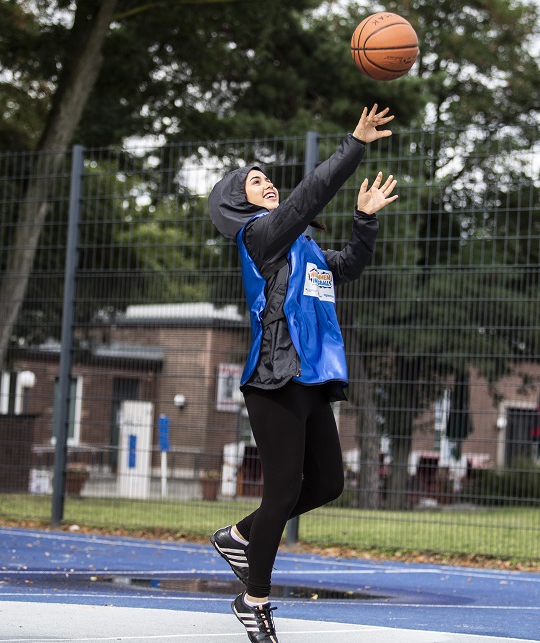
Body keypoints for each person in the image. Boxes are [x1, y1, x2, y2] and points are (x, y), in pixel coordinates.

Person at [206, 105, 398, 643]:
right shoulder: (259, 239)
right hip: (273, 378)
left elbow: (350, 267)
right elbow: (307, 198)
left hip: (311, 379)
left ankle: (239, 536)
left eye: (269, 179)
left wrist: (364, 220)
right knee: (283, 491)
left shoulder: (307, 250)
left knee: (329, 483)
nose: (267, 185)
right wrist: (353, 144)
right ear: (238, 201)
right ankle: (254, 601)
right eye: (256, 182)